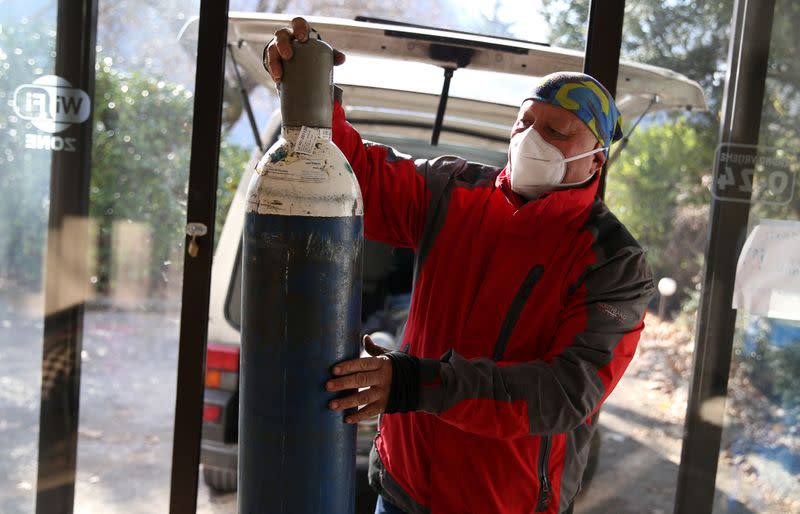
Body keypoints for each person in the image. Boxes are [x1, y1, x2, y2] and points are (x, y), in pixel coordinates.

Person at [265, 17, 655, 514]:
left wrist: (414, 383)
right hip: (402, 487)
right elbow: (355, 173)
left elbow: (563, 392)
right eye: (525, 122)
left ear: (597, 160)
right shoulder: (455, 191)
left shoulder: (613, 262)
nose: (530, 139)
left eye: (555, 131)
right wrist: (310, 87)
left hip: (500, 503)